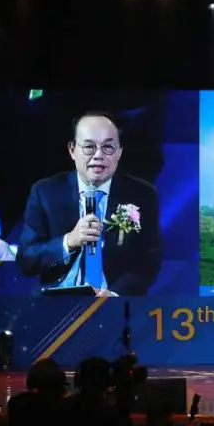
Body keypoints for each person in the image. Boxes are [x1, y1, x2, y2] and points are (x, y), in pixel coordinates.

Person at [16, 111, 161, 296]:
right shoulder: (45, 192)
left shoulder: (142, 194)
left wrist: (115, 295)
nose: (99, 155)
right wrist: (69, 241)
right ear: (72, 150)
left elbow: (148, 262)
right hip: (56, 301)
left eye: (108, 147)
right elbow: (27, 260)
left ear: (119, 152)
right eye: (89, 147)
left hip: (114, 301)